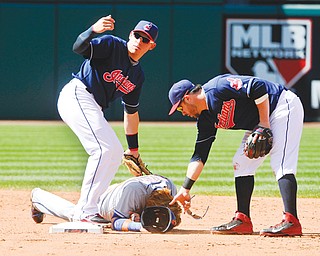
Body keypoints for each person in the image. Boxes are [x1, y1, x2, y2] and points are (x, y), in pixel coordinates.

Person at [168, 74, 304, 237]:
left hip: (281, 106)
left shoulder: (218, 87)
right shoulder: (206, 119)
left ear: (188, 98)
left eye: (180, 108)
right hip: (259, 122)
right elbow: (200, 154)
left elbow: (257, 86)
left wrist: (264, 123)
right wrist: (185, 188)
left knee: (281, 163)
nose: (182, 113)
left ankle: (291, 220)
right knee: (241, 162)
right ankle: (242, 219)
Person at [56, 15, 158, 223]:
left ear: (151, 46)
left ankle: (44, 201)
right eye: (137, 36)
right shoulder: (111, 45)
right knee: (105, 150)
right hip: (78, 94)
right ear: (131, 35)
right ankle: (86, 211)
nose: (139, 41)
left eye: (145, 39)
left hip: (92, 105)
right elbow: (79, 48)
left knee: (112, 151)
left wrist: (134, 149)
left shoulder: (137, 76)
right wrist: (93, 29)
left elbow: (131, 112)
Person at [31, 174, 182, 232]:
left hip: (121, 192)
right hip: (104, 203)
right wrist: (138, 225)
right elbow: (116, 222)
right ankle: (38, 198)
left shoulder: (170, 188)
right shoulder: (134, 192)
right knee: (80, 216)